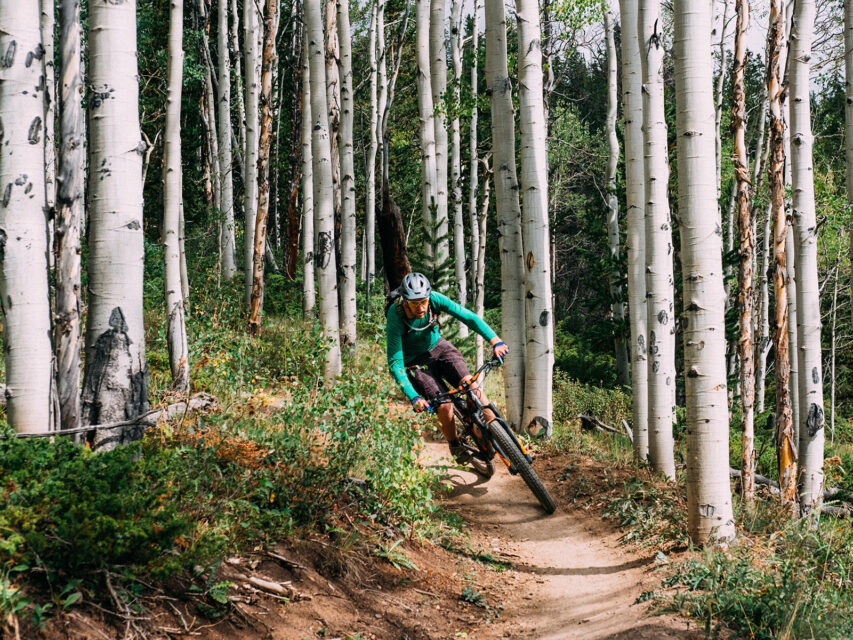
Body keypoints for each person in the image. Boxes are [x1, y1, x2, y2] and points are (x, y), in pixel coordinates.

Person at [385, 272, 509, 462]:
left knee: (471, 386)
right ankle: (455, 445)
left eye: (424, 301)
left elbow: (468, 317)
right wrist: (414, 397)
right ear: (405, 300)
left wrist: (495, 340)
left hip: (439, 348)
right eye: (414, 303)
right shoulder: (396, 315)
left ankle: (499, 433)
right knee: (444, 406)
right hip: (415, 363)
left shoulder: (434, 299)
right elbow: (395, 363)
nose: (421, 307)